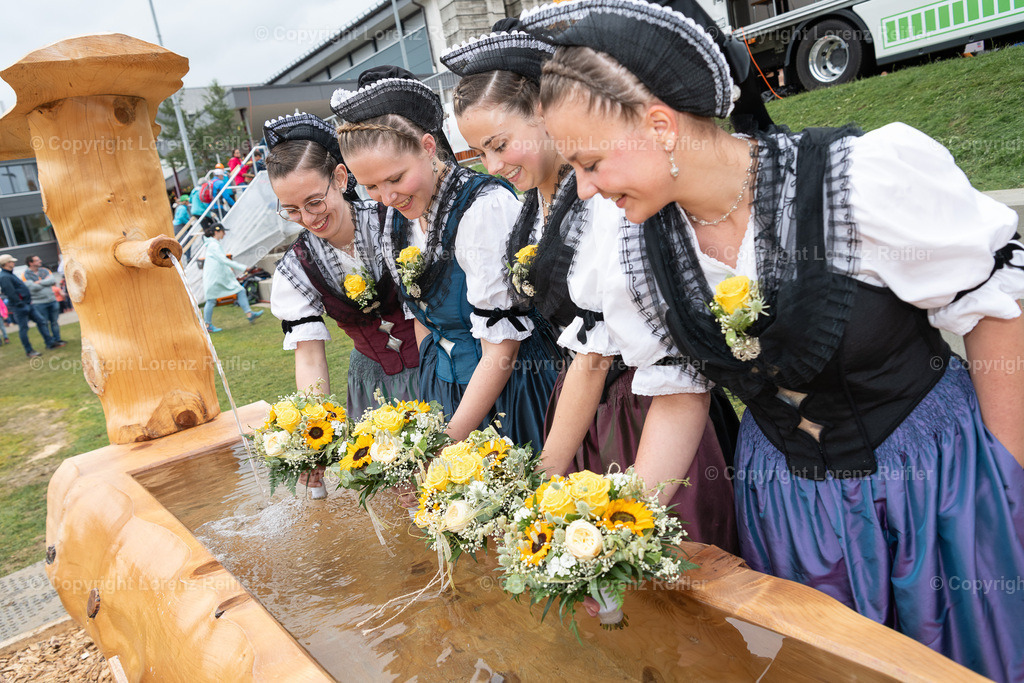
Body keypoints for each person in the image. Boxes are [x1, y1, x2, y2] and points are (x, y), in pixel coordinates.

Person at [523, 1, 1024, 680]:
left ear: (661, 127)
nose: (581, 189)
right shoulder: (637, 252)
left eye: (590, 162)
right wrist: (620, 528)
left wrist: (1007, 476)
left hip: (939, 479)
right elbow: (677, 397)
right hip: (794, 510)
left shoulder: (854, 181)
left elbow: (998, 314)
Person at [440, 23, 737, 549]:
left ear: (543, 114)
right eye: (479, 154)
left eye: (500, 144)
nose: (493, 166)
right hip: (582, 406)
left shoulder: (612, 202)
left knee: (655, 558)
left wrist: (549, 469)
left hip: (644, 408)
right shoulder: (534, 206)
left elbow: (597, 355)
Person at [331, 66, 561, 447]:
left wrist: (447, 440)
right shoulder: (398, 216)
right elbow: (420, 315)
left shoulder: (483, 208)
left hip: (513, 388)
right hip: (443, 390)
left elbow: (502, 346)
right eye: (371, 186)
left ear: (427, 147)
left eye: (395, 178)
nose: (387, 197)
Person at [264, 112, 420, 418]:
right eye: (292, 210)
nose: (309, 219)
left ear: (339, 178)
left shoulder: (396, 222)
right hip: (372, 388)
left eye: (314, 202)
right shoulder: (297, 267)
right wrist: (315, 430)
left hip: (437, 366)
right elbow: (309, 358)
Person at [201, 223, 263, 332]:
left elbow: (221, 261)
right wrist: (244, 267)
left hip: (219, 277)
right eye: (223, 231)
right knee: (211, 300)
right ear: (217, 232)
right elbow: (223, 260)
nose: (224, 234)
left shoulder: (213, 244)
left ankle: (249, 314)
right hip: (214, 278)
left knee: (241, 290)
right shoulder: (213, 245)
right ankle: (207, 325)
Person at [0, 254, 54, 357]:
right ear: (6, 263)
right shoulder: (5, 276)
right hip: (20, 307)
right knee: (24, 328)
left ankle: (50, 342)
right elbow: (11, 293)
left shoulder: (10, 274)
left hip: (27, 304)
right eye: (11, 261)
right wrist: (20, 304)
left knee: (41, 321)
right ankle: (29, 351)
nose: (13, 263)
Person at [21, 255, 65, 348]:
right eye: (37, 260)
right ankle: (50, 342)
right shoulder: (25, 274)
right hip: (39, 303)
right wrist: (45, 282)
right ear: (31, 263)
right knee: (43, 323)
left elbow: (52, 280)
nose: (40, 261)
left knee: (54, 322)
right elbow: (31, 287)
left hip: (52, 300)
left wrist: (39, 282)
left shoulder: (45, 270)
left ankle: (57, 339)